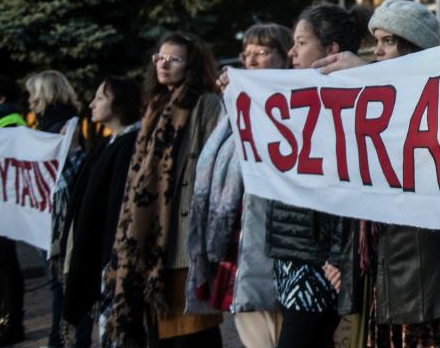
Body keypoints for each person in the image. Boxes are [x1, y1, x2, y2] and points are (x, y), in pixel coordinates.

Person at [315, 0, 440, 348]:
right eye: (375, 41)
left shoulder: (438, 93)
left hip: (418, 271)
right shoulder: (371, 93)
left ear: (413, 46)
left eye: (388, 41)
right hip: (380, 267)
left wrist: (364, 75)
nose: (376, 51)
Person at [104, 32, 225, 347]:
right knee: (161, 337)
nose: (164, 64)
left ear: (191, 65)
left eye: (174, 59)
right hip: (152, 244)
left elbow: (216, 164)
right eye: (160, 57)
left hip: (186, 241)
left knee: (194, 335)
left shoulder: (207, 103)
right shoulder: (155, 108)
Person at [266, 4, 369, 348]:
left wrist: (342, 254)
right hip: (292, 254)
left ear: (332, 51)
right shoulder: (297, 100)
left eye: (301, 42)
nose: (291, 52)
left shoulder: (353, 106)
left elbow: (354, 185)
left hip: (319, 263)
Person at [215, 23, 293, 348]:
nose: (252, 61)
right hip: (244, 243)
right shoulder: (233, 103)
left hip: (286, 244)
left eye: (262, 52)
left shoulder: (298, 101)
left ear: (285, 56)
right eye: (246, 54)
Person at [62, 76, 142, 345]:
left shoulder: (129, 145)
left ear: (118, 104)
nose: (92, 104)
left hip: (115, 260)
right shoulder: (107, 145)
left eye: (100, 98)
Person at [25, 70, 90, 348]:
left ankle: (65, 340)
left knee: (64, 283)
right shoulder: (57, 123)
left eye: (32, 93)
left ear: (45, 94)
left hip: (59, 218)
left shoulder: (62, 126)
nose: (29, 100)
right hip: (55, 214)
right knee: (63, 283)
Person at [0, 77, 27, 346]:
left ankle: (13, 324)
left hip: (1, 206)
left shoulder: (10, 121)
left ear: (0, 97)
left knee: (5, 266)